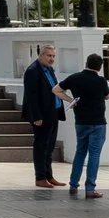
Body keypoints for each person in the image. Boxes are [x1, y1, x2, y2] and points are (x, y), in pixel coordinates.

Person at [57, 52, 109, 198]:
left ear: (86, 63)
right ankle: (90, 189)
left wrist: (71, 100)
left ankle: (73, 184)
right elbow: (107, 96)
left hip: (81, 121)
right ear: (99, 67)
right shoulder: (101, 81)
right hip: (98, 122)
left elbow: (56, 90)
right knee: (94, 155)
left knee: (80, 152)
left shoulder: (75, 78)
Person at [20, 44, 64, 188]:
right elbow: (31, 96)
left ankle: (48, 175)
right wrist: (36, 116)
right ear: (41, 55)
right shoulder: (33, 71)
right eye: (49, 55)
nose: (51, 59)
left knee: (50, 145)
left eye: (53, 56)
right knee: (41, 146)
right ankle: (40, 177)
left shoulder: (49, 70)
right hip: (42, 115)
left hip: (53, 112)